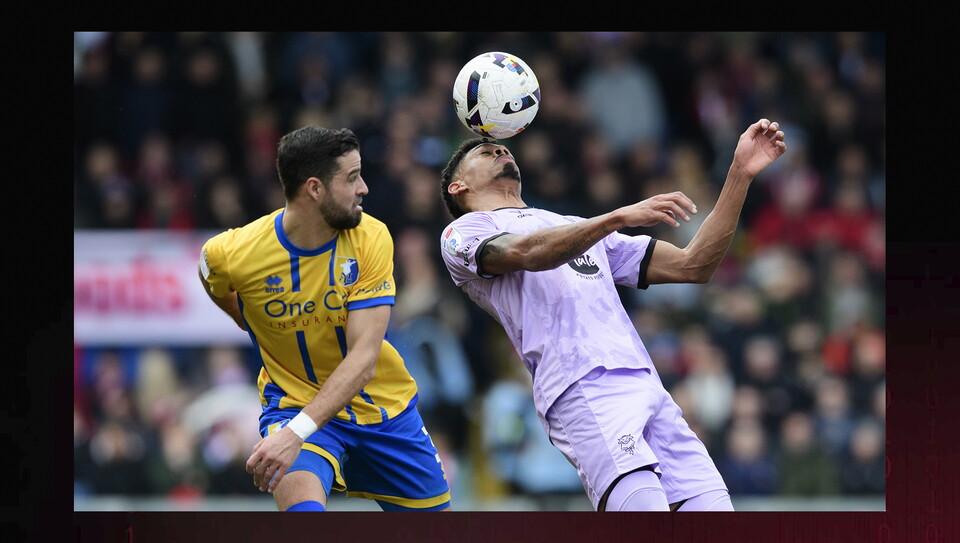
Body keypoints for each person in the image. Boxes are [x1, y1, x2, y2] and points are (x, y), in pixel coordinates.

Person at [438, 118, 786, 511]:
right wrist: (616, 218)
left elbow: (694, 265)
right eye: (486, 151)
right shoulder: (462, 234)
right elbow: (528, 253)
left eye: (502, 147)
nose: (501, 149)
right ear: (458, 186)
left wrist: (739, 174)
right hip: (582, 386)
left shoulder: (571, 225)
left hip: (648, 385)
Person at [199, 126, 451, 511]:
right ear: (314, 189)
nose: (364, 187)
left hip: (383, 410)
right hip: (293, 405)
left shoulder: (371, 238)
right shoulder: (233, 252)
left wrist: (294, 434)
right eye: (352, 178)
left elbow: (363, 360)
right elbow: (211, 276)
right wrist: (250, 321)